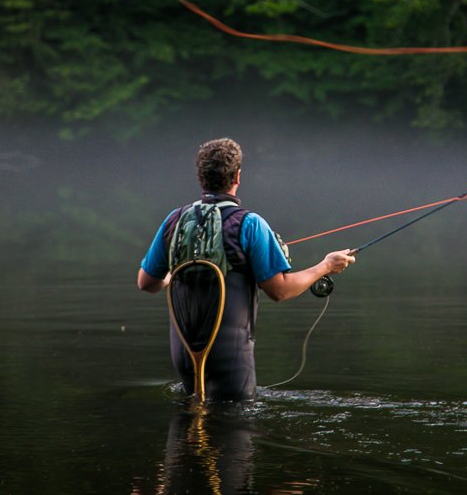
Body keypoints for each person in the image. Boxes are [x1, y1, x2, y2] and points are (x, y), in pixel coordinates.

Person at [137, 137, 355, 402]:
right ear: (237, 176)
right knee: (234, 432)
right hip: (230, 357)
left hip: (183, 354)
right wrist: (325, 266)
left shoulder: (175, 220)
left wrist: (171, 275)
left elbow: (146, 282)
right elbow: (280, 291)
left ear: (200, 177)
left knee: (189, 429)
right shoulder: (250, 224)